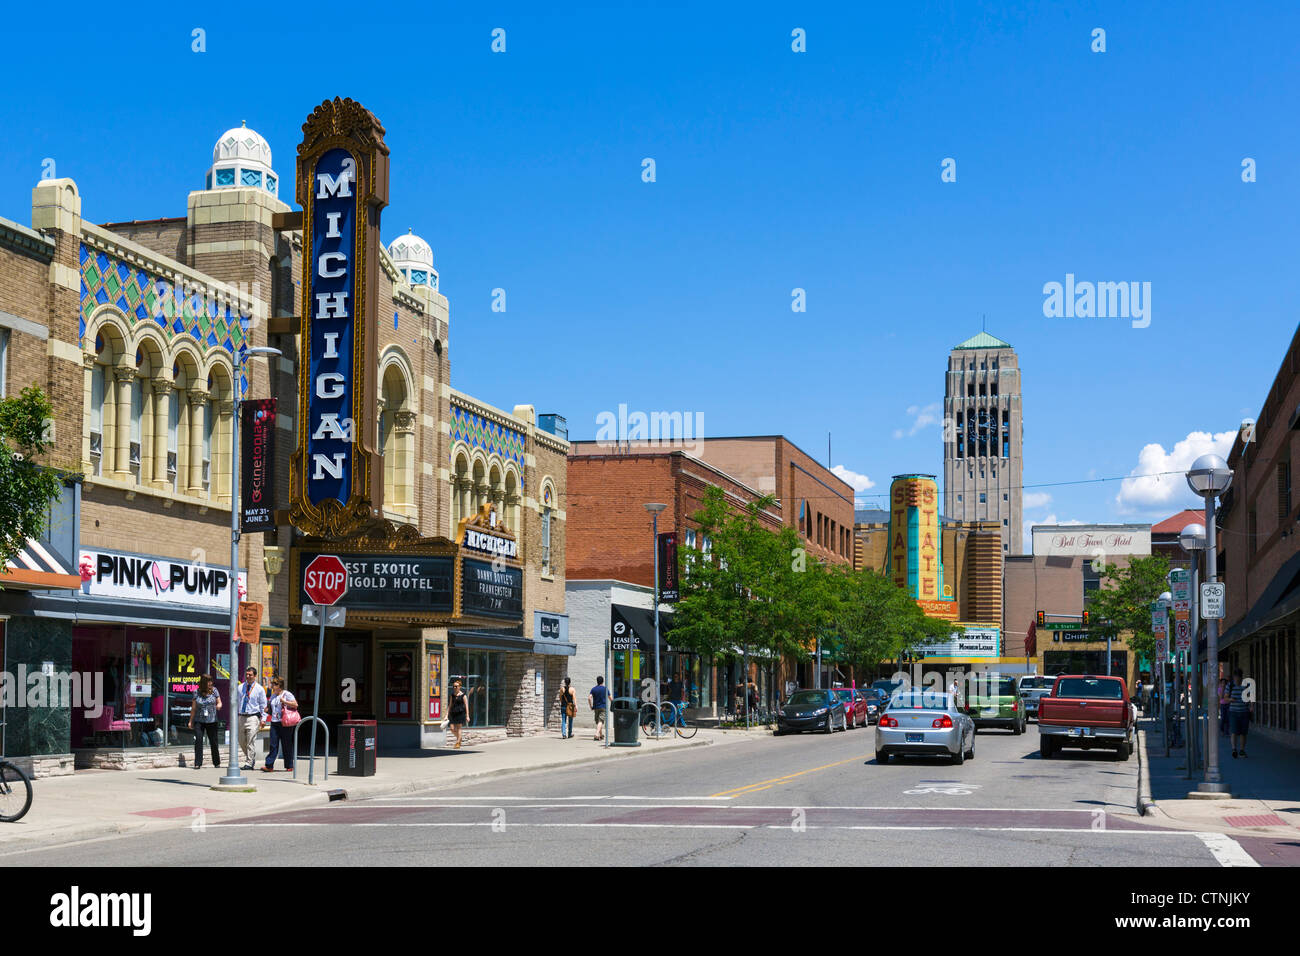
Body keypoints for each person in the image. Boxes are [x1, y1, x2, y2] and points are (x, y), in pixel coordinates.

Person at [235, 666, 267, 770]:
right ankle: (251, 757)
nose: (248, 677)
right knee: (241, 740)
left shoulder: (259, 689)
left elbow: (263, 706)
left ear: (255, 676)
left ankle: (249, 763)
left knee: (250, 741)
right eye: (247, 675)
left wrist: (263, 719)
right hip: (241, 716)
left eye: (250, 675)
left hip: (253, 717)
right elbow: (237, 702)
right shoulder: (240, 687)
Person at [262, 677, 298, 772]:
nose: (272, 686)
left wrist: (285, 701)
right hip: (274, 722)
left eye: (274, 684)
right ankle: (269, 765)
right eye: (272, 684)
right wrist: (265, 714)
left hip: (285, 723)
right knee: (273, 744)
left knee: (286, 744)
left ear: (279, 686)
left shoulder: (287, 694)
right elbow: (270, 709)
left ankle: (289, 765)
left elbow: (295, 705)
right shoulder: (273, 696)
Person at [188, 675, 222, 769]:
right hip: (199, 720)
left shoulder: (214, 691)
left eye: (211, 681)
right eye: (208, 681)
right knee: (198, 740)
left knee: (214, 741)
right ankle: (198, 763)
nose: (210, 683)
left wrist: (219, 705)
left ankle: (216, 762)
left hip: (212, 720)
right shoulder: (196, 692)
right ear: (203, 683)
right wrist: (191, 721)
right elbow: (194, 708)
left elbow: (219, 702)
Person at [1228, 668, 1253, 758]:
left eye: (1238, 677)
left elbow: (1250, 697)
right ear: (1233, 677)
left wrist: (1251, 706)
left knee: (1243, 733)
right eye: (1235, 677)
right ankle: (1234, 749)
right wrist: (1230, 699)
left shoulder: (1246, 686)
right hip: (1233, 712)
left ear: (1241, 677)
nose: (1237, 679)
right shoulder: (1230, 685)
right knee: (1234, 731)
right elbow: (1225, 698)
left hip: (1244, 712)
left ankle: (1242, 750)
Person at [448, 680, 468, 749]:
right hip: (453, 713)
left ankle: (458, 742)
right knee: (452, 728)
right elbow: (450, 705)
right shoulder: (452, 695)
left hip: (460, 713)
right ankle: (459, 738)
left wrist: (467, 716)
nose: (454, 687)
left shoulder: (463, 695)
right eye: (453, 686)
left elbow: (466, 706)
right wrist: (446, 715)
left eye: (456, 686)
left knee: (459, 728)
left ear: (460, 687)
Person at [589, 675, 611, 740]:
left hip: (596, 707)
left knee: (598, 722)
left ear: (597, 681)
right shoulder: (605, 689)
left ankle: (601, 735)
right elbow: (610, 698)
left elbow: (589, 698)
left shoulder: (593, 689)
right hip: (603, 707)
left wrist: (591, 706)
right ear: (603, 681)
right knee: (600, 721)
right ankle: (596, 734)